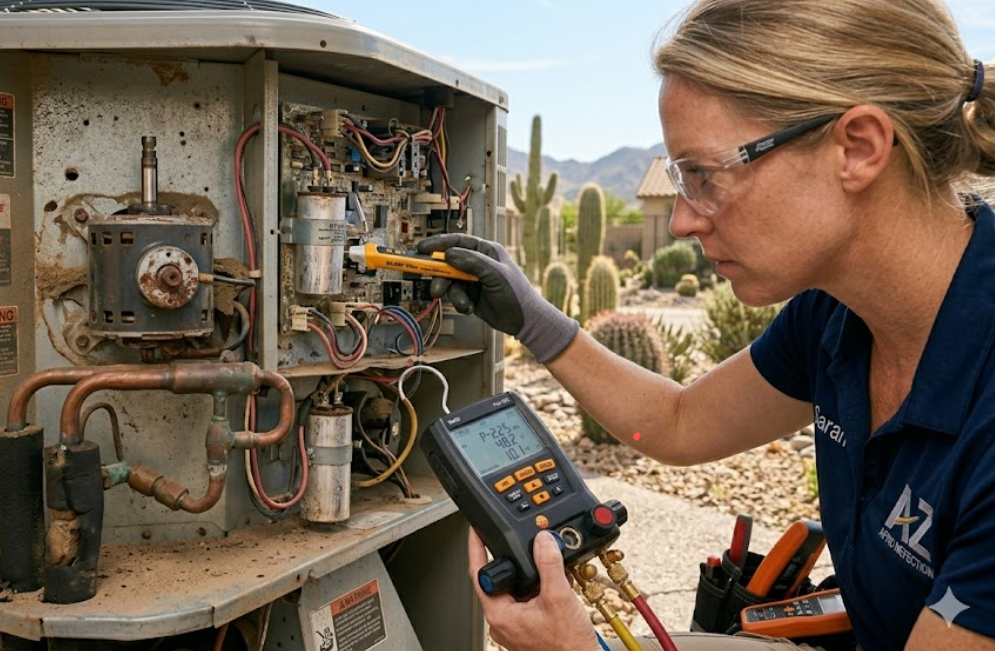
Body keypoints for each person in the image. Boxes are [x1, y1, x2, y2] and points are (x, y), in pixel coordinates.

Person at [419, 1, 995, 649]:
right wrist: (530, 316)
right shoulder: (836, 315)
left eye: (704, 175)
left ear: (858, 148)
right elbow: (677, 422)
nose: (682, 221)